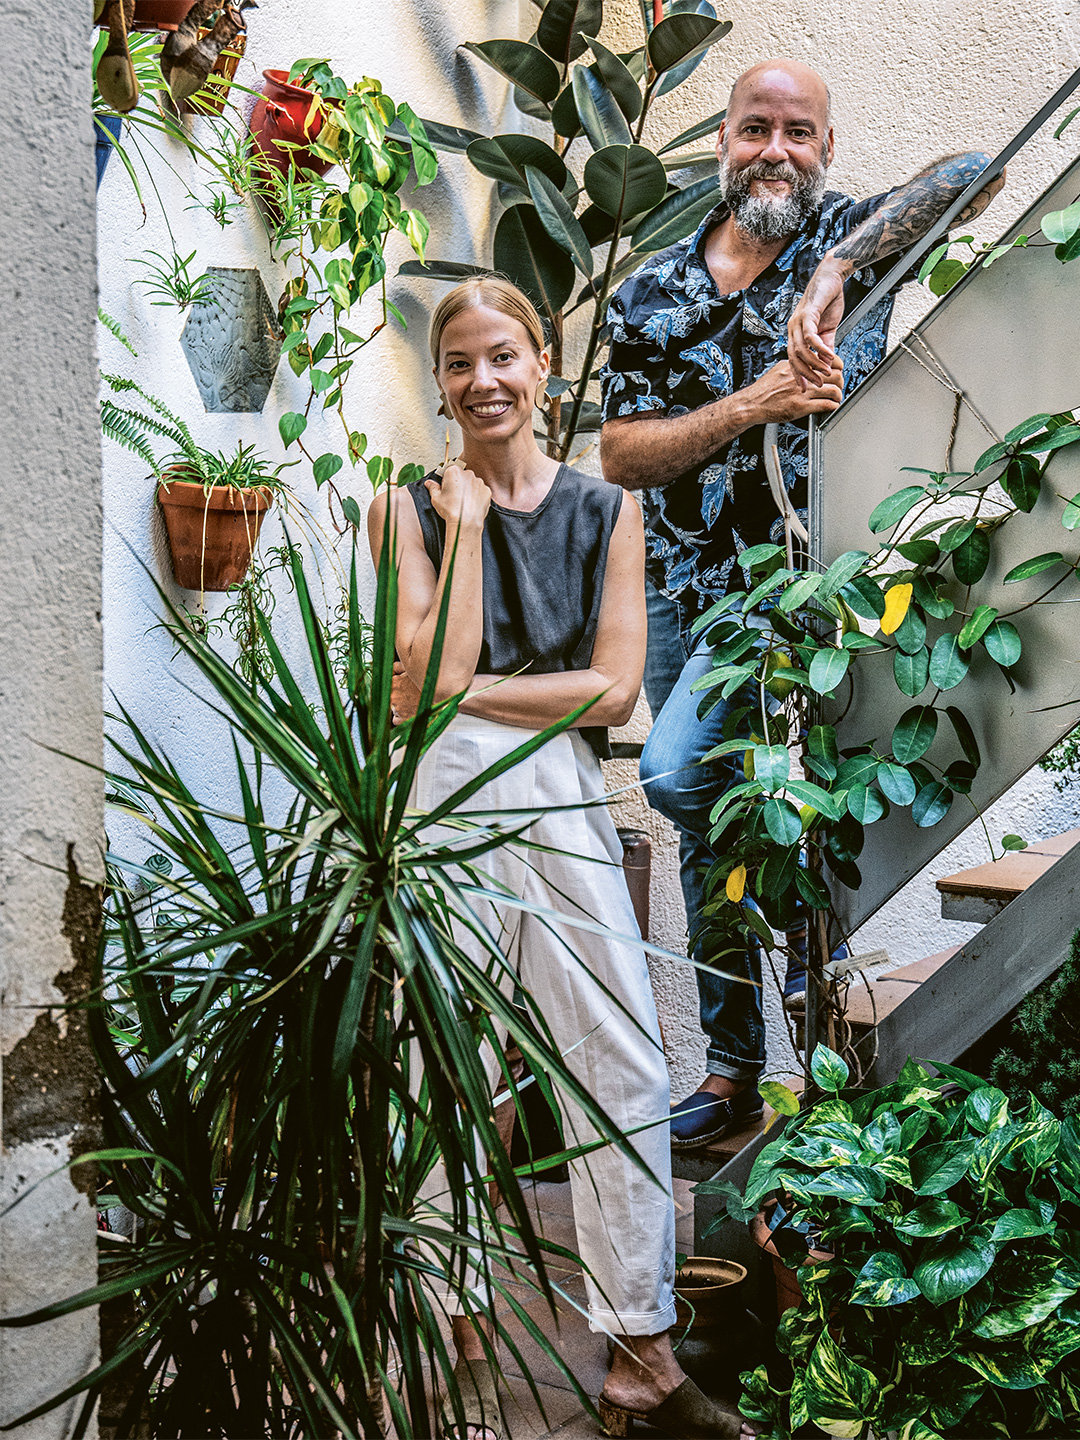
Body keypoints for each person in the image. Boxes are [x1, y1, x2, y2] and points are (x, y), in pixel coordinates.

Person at [599, 58, 1005, 1149]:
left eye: (799, 133)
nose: (776, 150)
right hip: (693, 595)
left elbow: (972, 172)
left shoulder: (863, 238)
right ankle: (743, 1064)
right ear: (723, 143)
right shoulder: (651, 289)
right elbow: (623, 453)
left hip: (816, 603)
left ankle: (807, 1032)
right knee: (706, 821)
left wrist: (832, 265)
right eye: (754, 130)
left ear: (824, 147)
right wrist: (754, 403)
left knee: (696, 783)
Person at [368, 276, 741, 1440]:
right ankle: (460, 1329)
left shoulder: (604, 513)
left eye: (505, 357)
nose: (485, 381)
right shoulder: (402, 513)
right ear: (440, 382)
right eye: (461, 363)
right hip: (438, 811)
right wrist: (470, 536)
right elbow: (413, 693)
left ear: (545, 367)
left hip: (563, 800)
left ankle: (640, 1348)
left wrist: (460, 697)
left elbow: (616, 687)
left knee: (621, 1066)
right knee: (441, 1073)